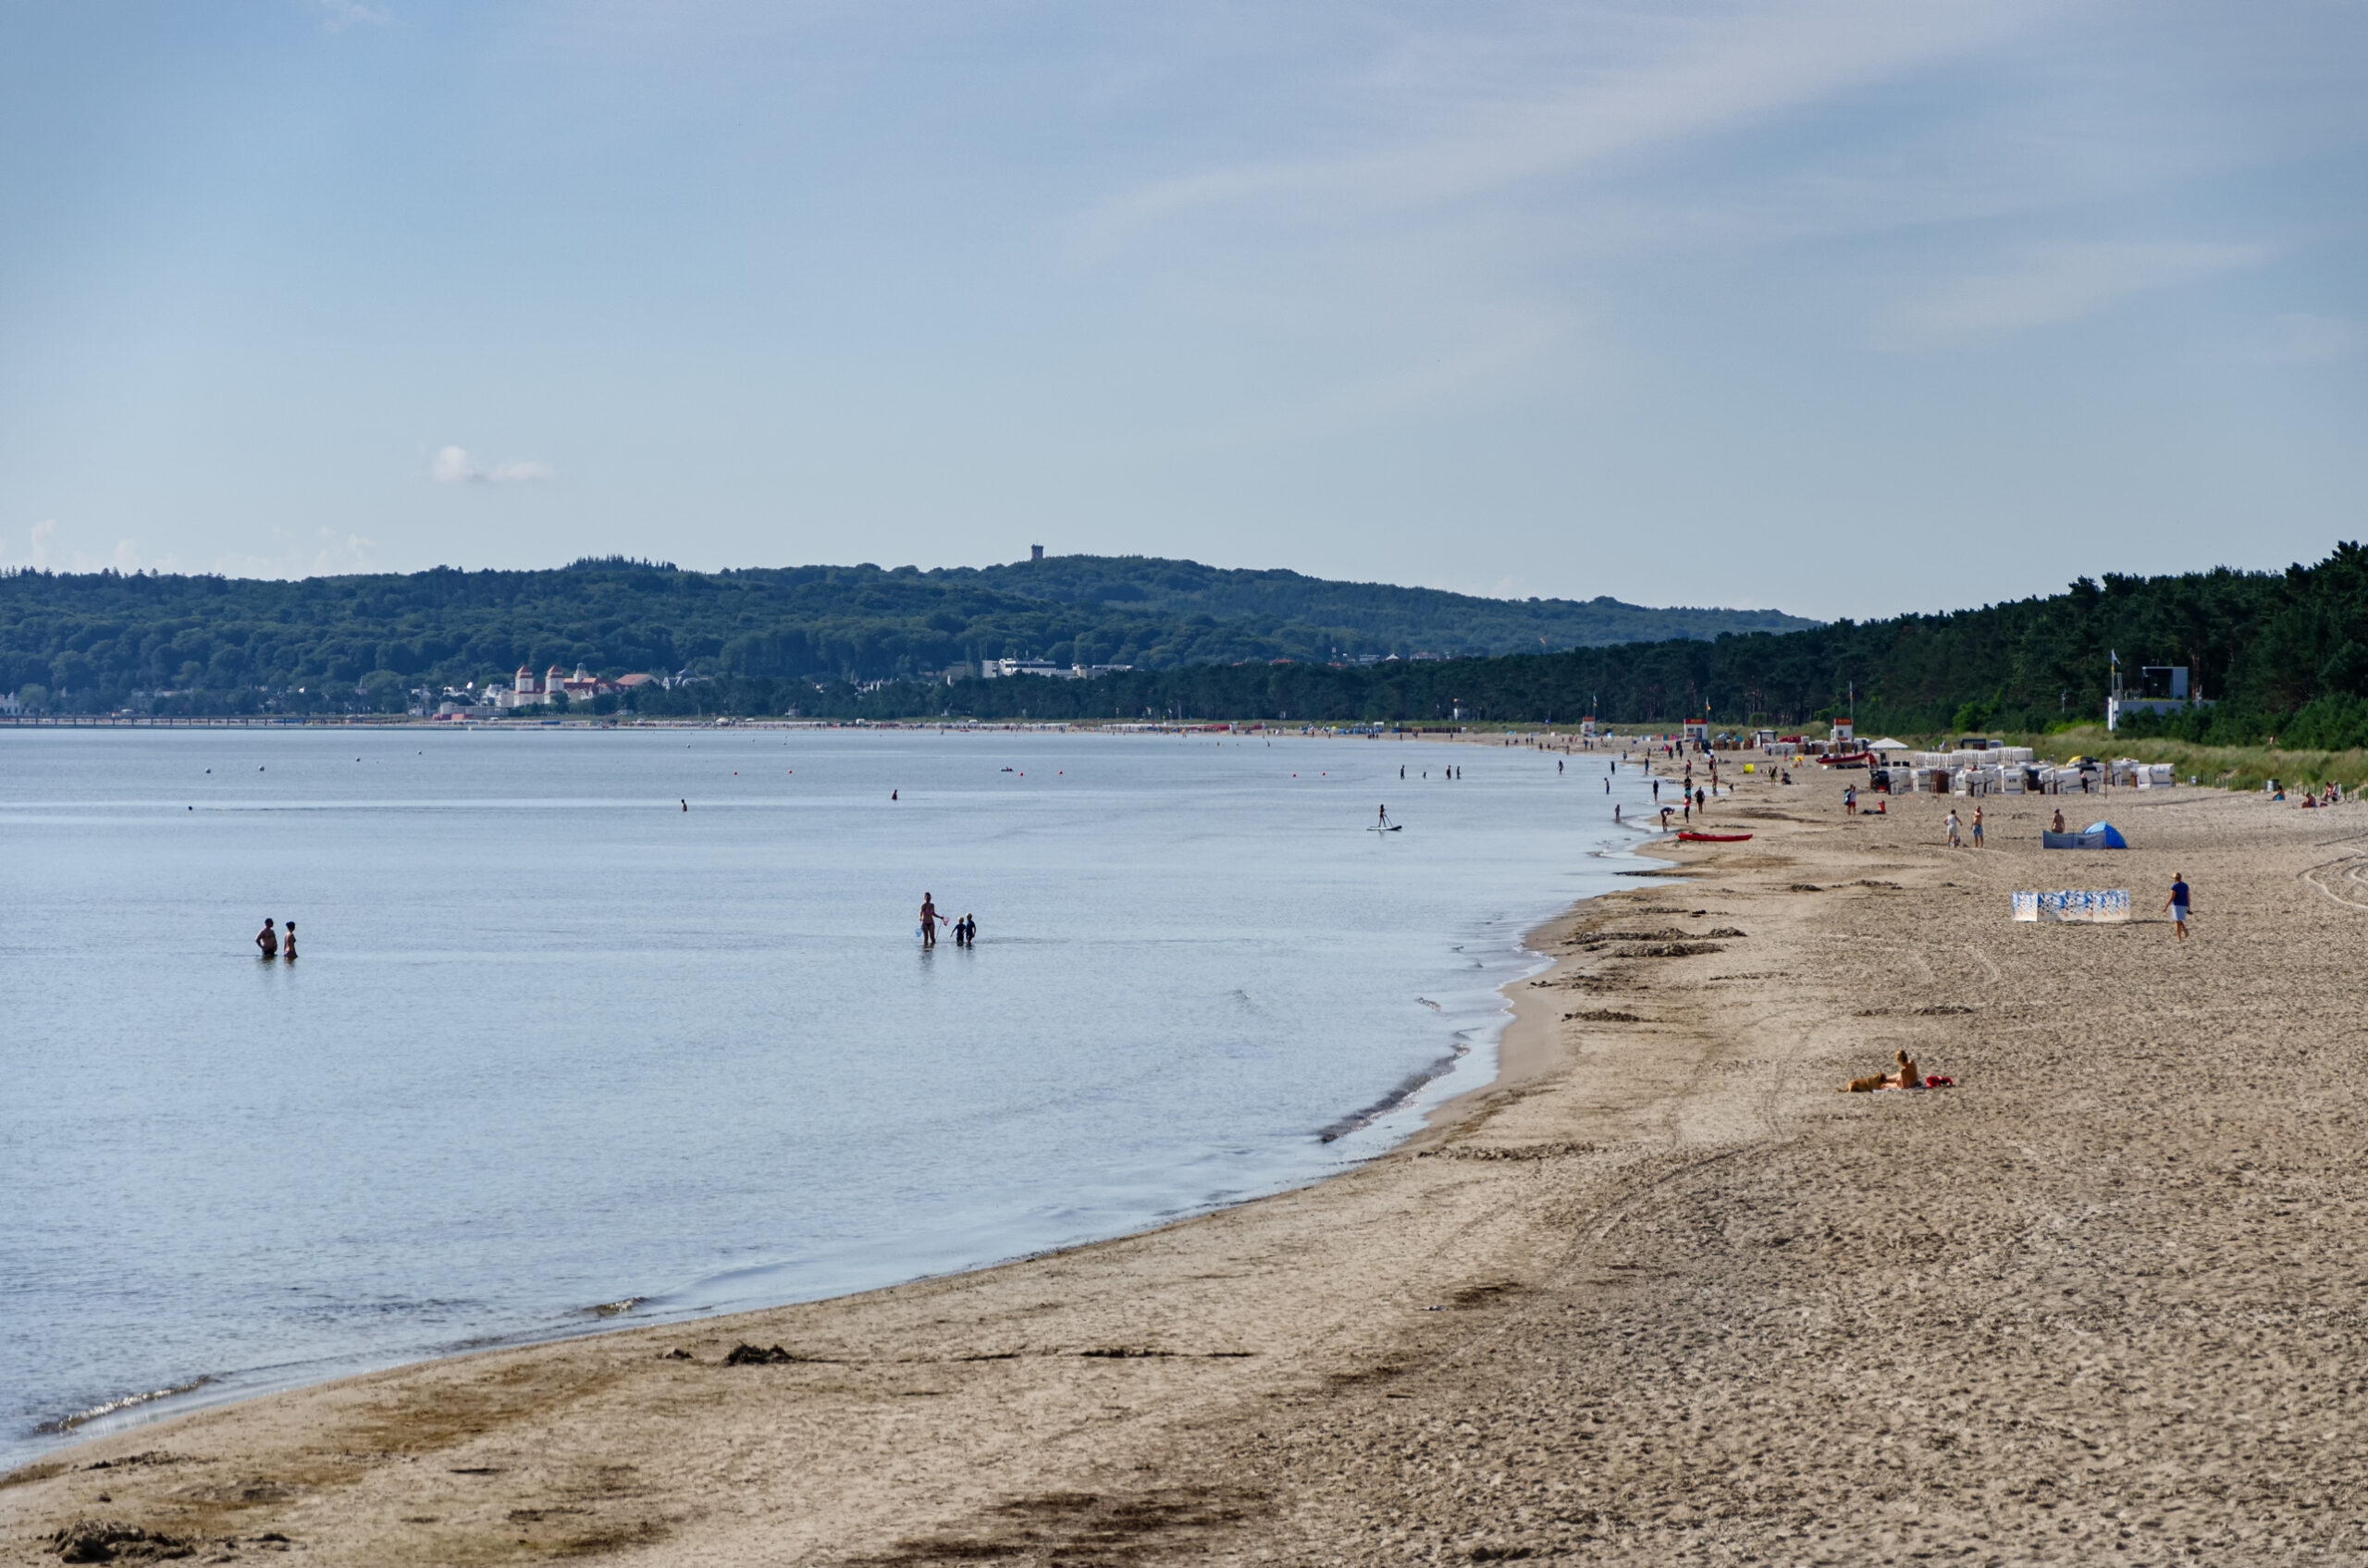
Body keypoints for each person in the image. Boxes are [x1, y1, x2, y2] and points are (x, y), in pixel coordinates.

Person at [2163, 872, 2191, 941]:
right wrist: (2188, 905)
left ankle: (2179, 938)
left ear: (2175, 879)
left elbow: (2172, 897)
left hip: (2177, 904)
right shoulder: (2185, 885)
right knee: (2179, 919)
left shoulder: (2174, 886)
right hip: (2184, 904)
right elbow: (2188, 896)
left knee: (2176, 921)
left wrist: (2166, 906)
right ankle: (2185, 931)